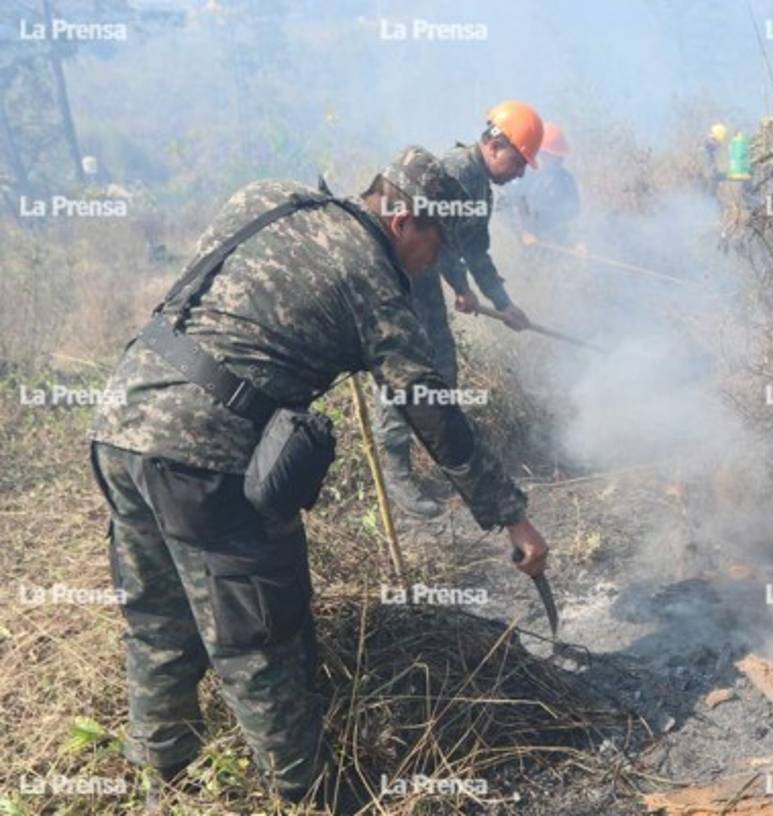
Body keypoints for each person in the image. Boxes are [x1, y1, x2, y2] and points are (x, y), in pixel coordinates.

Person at [87, 146, 550, 806]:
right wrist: (511, 513)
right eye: (436, 245)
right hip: (205, 459)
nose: (435, 264)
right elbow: (431, 408)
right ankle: (308, 801)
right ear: (402, 221)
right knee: (261, 647)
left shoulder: (268, 197)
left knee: (159, 622)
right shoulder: (376, 282)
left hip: (121, 423)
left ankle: (164, 785)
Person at [371, 101, 543, 519]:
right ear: (495, 145)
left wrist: (504, 303)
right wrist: (462, 288)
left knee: (442, 371)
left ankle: (448, 460)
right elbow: (436, 238)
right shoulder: (455, 171)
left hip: (426, 280)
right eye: (519, 161)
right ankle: (397, 473)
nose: (520, 173)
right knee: (403, 369)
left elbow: (476, 251)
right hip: (406, 278)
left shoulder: (481, 185)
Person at [503, 121, 580, 247]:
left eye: (559, 157)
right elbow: (504, 210)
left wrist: (576, 242)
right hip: (519, 244)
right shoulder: (518, 175)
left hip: (552, 246)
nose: (558, 162)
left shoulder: (566, 181)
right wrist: (522, 234)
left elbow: (570, 217)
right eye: (553, 157)